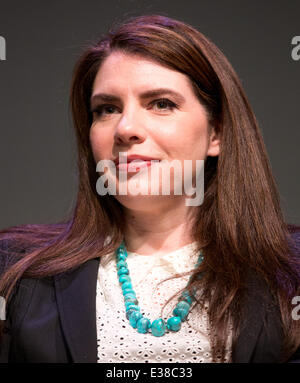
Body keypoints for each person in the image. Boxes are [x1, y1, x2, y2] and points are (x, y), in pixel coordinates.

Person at [0, 14, 299, 364]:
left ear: (216, 133)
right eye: (107, 109)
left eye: (161, 104)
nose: (125, 128)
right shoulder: (16, 273)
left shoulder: (291, 272)